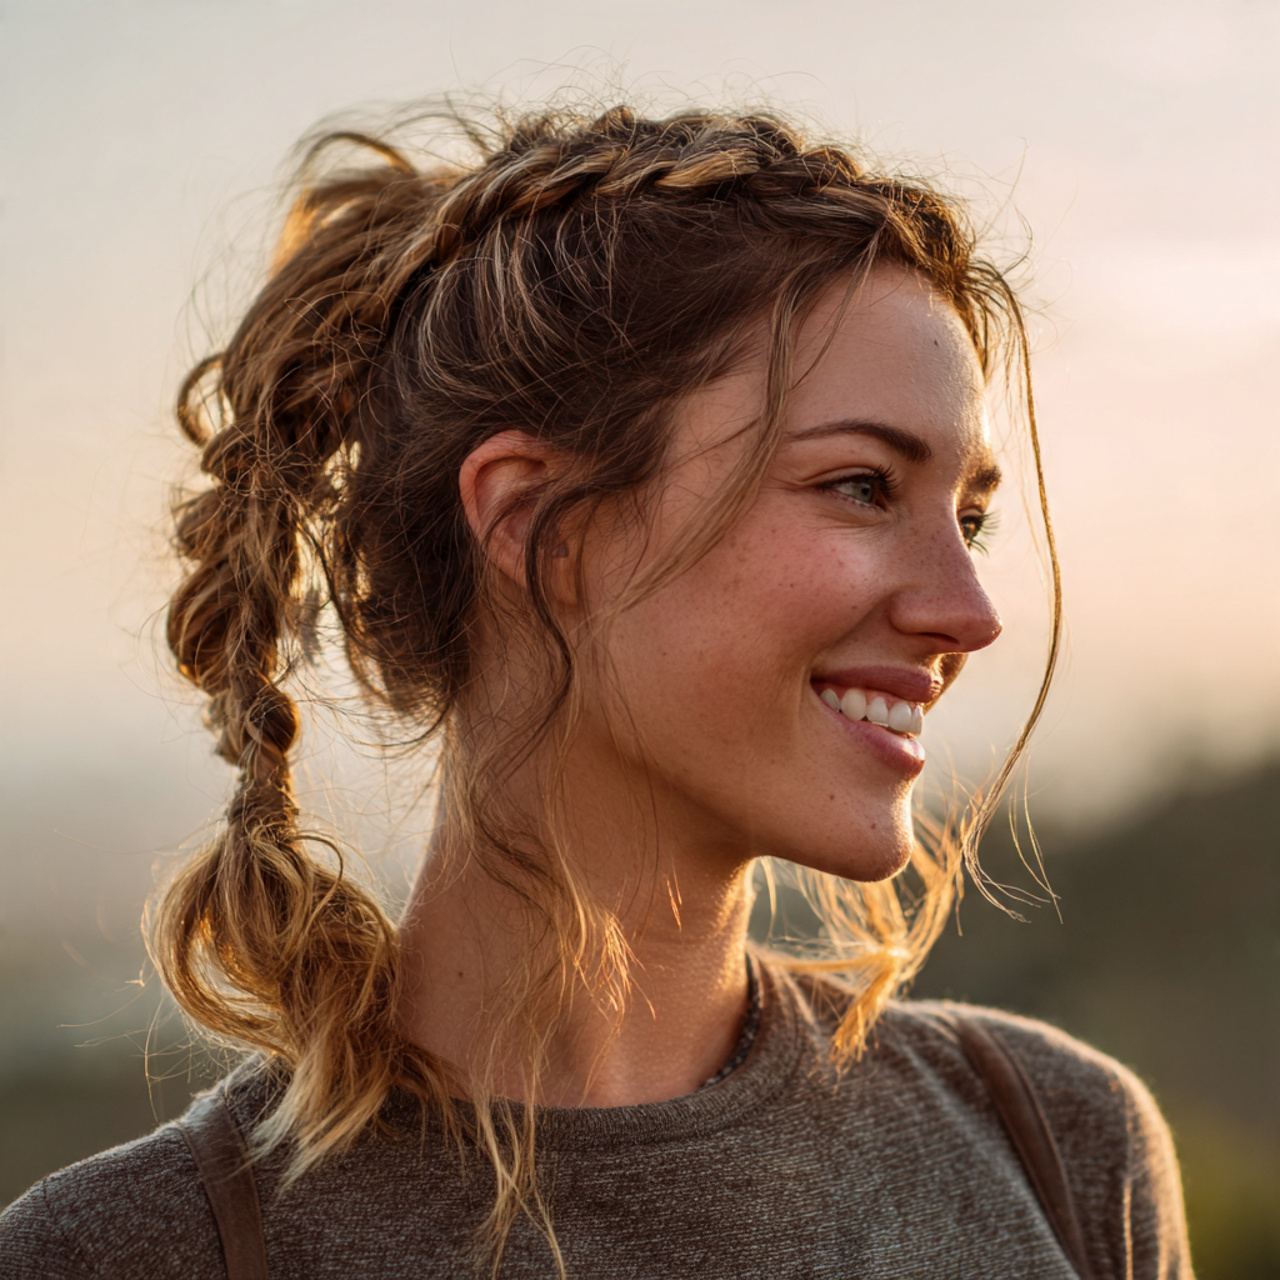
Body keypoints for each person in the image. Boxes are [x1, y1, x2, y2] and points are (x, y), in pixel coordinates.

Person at [0, 101, 1192, 1278]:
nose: (968, 613)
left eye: (969, 519)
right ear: (535, 525)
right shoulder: (127, 1252)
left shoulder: (1056, 1146)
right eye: (861, 487)